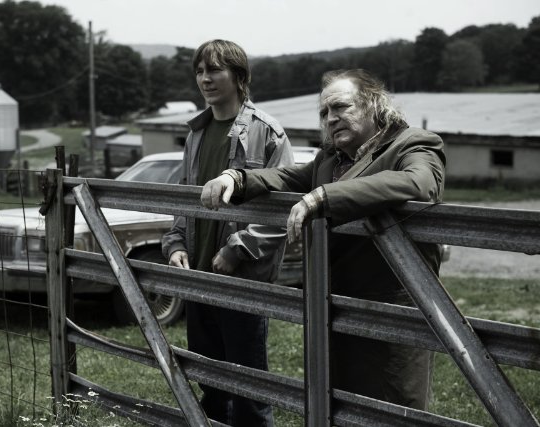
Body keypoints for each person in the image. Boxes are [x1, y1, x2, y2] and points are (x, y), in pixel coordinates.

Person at [201, 69, 446, 410]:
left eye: (340, 107)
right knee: (335, 406)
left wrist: (324, 197)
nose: (330, 118)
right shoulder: (330, 158)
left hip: (390, 312)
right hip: (332, 307)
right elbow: (286, 177)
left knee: (393, 408)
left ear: (374, 104)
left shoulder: (414, 143)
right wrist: (237, 178)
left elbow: (419, 183)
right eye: (324, 112)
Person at [161, 39, 294, 426]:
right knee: (210, 383)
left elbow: (283, 208)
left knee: (249, 388)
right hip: (198, 274)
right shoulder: (196, 133)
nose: (205, 79)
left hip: (242, 279)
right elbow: (186, 197)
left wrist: (239, 248)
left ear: (239, 76)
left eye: (215, 70)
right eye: (200, 71)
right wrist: (176, 243)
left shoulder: (267, 132)